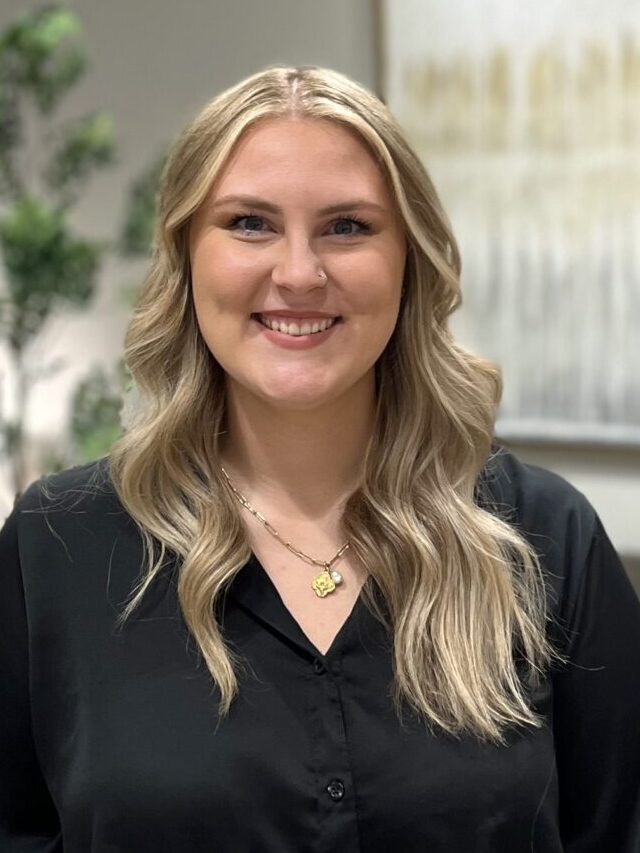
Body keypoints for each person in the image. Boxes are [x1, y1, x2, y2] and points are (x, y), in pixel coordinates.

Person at [1, 64, 639, 853]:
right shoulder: (58, 544)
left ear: (409, 261)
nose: (299, 273)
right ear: (186, 256)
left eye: (347, 226)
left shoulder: (544, 540)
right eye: (248, 223)